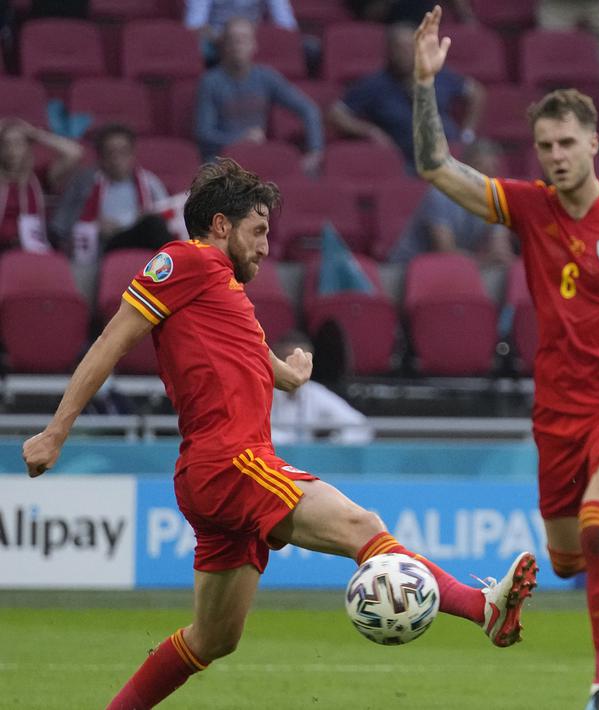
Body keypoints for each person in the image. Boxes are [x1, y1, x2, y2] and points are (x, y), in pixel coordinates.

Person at [21, 158, 537, 710]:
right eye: (259, 230)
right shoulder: (183, 261)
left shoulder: (218, 288)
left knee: (213, 638)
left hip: (211, 475)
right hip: (230, 460)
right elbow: (111, 341)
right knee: (363, 526)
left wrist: (284, 372)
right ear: (220, 225)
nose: (267, 247)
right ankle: (484, 609)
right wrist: (57, 431)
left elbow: (234, 345)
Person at [411, 9, 599, 709]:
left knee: (597, 523)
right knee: (565, 557)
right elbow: (434, 166)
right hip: (554, 409)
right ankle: (588, 560)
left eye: (566, 142)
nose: (554, 155)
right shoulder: (528, 207)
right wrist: (425, 84)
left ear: (594, 143)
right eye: (544, 144)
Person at [328, 22, 484, 171]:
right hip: (409, 163)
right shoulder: (374, 85)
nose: (406, 53)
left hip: (453, 156)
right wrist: (370, 131)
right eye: (400, 48)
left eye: (410, 47)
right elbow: (336, 113)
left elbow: (476, 92)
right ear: (389, 51)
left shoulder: (438, 74)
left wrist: (467, 134)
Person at [194, 18, 324, 173]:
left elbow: (309, 109)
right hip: (221, 158)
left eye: (244, 39)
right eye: (233, 40)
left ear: (253, 45)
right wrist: (240, 140)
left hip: (259, 155)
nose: (238, 45)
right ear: (224, 45)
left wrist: (315, 151)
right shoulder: (210, 82)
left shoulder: (266, 77)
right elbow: (204, 134)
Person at [391, 138, 515, 300]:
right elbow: (444, 250)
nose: (485, 176)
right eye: (480, 168)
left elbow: (501, 250)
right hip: (403, 272)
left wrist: (500, 255)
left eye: (491, 169)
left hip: (456, 268)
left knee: (503, 279)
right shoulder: (441, 195)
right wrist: (486, 259)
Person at [51, 124, 173, 262]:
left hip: (141, 238)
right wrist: (94, 226)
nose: (117, 160)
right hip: (104, 246)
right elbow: (60, 227)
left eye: (123, 152)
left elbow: (167, 219)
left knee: (153, 224)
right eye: (110, 153)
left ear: (133, 154)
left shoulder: (150, 182)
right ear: (100, 157)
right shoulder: (84, 183)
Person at [270, 332, 375, 445]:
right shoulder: (259, 391)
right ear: (276, 360)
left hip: (304, 459)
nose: (296, 366)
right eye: (288, 358)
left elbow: (361, 427)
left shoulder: (315, 393)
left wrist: (330, 447)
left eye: (304, 361)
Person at [0, 118, 82, 253]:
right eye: (5, 144)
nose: (12, 149)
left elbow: (74, 153)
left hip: (32, 251)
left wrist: (36, 134)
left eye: (18, 143)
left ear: (28, 147)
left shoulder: (38, 177)